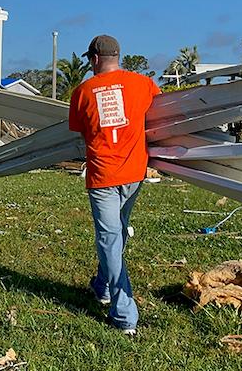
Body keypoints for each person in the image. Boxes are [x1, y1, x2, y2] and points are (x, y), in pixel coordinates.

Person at [68, 35, 161, 335]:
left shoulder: (82, 92)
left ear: (94, 59)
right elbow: (159, 112)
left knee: (110, 241)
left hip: (103, 177)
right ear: (118, 57)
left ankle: (123, 315)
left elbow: (81, 131)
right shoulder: (143, 84)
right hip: (135, 175)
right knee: (116, 233)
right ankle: (101, 284)